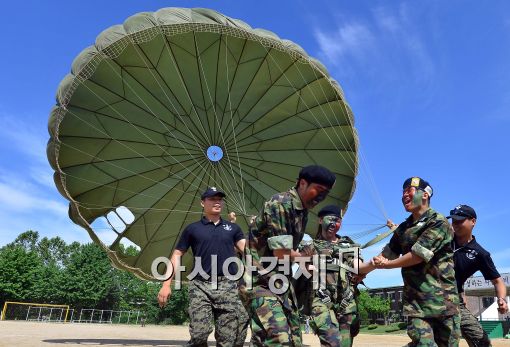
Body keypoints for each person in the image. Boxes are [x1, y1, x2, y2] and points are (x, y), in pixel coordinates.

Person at [247, 165, 336, 346]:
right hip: (259, 281)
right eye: (318, 190)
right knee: (279, 338)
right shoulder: (281, 203)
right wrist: (310, 261)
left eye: (325, 193)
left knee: (294, 338)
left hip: (280, 282)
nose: (321, 197)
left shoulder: (301, 211)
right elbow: (282, 253)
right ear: (302, 183)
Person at [370, 177, 460, 347]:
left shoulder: (438, 221)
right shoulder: (403, 228)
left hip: (444, 303)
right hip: (417, 304)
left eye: (409, 190)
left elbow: (418, 255)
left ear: (425, 195)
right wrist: (364, 270)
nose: (404, 195)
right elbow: (388, 253)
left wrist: (387, 265)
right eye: (402, 192)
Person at [157, 187, 248, 347]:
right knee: (199, 335)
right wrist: (166, 284)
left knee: (228, 340)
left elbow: (248, 251)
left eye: (219, 199)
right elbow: (177, 255)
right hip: (200, 286)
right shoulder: (192, 229)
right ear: (202, 203)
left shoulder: (233, 229)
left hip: (228, 285)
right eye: (212, 199)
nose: (217, 202)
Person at [296, 204, 367, 347]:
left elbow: (358, 266)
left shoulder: (348, 246)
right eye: (331, 219)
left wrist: (374, 264)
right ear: (320, 220)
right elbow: (299, 261)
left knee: (345, 344)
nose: (335, 224)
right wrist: (308, 267)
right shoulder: (311, 246)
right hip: (320, 299)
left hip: (347, 301)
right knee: (332, 342)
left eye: (338, 221)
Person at [448, 204, 508, 347]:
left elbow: (498, 282)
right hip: (430, 297)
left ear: (473, 221)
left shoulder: (480, 254)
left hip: (454, 302)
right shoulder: (444, 237)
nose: (455, 224)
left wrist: (502, 299)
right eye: (453, 221)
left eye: (459, 221)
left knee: (482, 342)